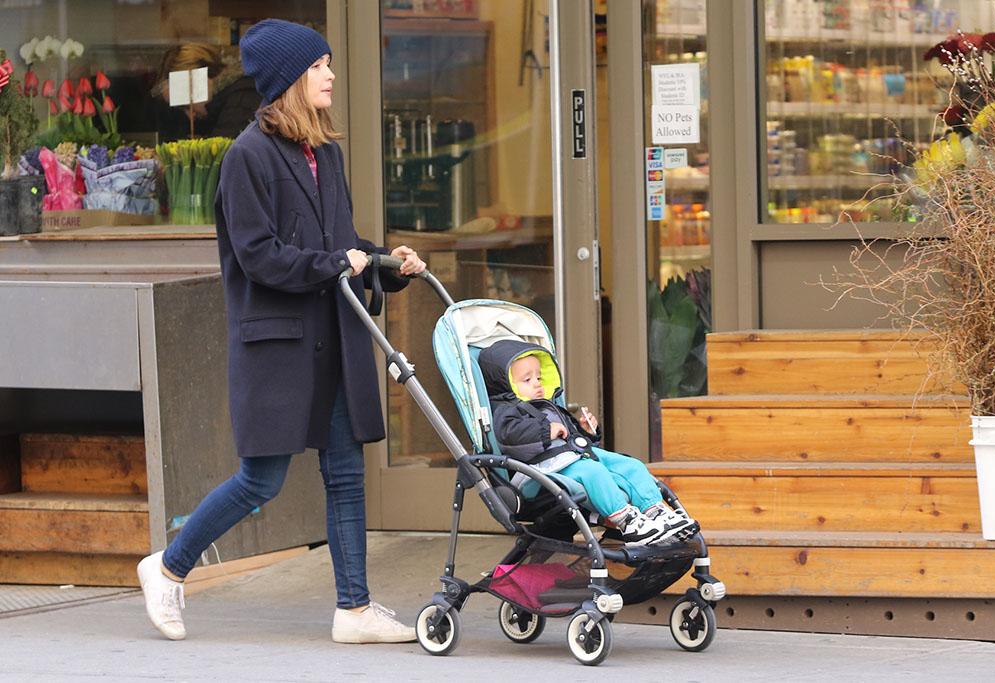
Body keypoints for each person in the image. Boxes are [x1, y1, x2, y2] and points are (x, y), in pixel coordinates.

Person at [136, 18, 426, 644]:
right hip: (278, 344)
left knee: (345, 470)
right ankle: (166, 568)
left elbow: (340, 245)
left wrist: (387, 264)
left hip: (332, 337)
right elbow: (258, 256)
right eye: (319, 65)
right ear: (290, 79)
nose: (329, 74)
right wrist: (336, 264)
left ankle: (354, 609)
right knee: (260, 479)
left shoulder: (326, 153)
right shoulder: (246, 157)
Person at [479, 340, 699, 547]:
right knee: (593, 472)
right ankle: (628, 522)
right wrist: (546, 431)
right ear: (505, 386)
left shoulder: (547, 407)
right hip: (540, 471)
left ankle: (655, 511)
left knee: (632, 465)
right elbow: (509, 436)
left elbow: (570, 437)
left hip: (573, 456)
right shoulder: (507, 413)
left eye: (539, 377)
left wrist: (585, 432)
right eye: (527, 380)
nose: (537, 383)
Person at [151, 42, 263, 141]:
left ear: (201, 80)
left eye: (186, 105)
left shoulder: (241, 100)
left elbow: (223, 157)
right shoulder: (222, 105)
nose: (190, 115)